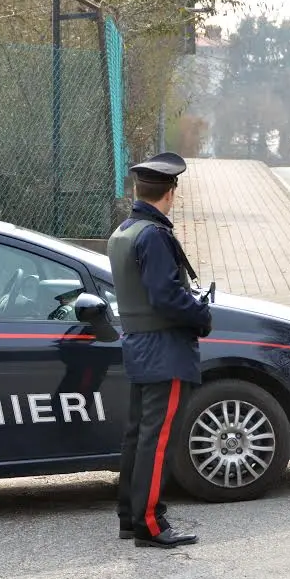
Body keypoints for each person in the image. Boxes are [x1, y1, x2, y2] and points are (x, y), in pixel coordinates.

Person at [107, 152, 212, 549]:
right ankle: (149, 523)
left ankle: (129, 516)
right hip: (164, 348)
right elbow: (166, 296)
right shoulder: (153, 235)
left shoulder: (124, 231)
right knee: (158, 439)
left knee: (139, 437)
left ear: (138, 190)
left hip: (140, 345)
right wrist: (201, 315)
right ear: (170, 193)